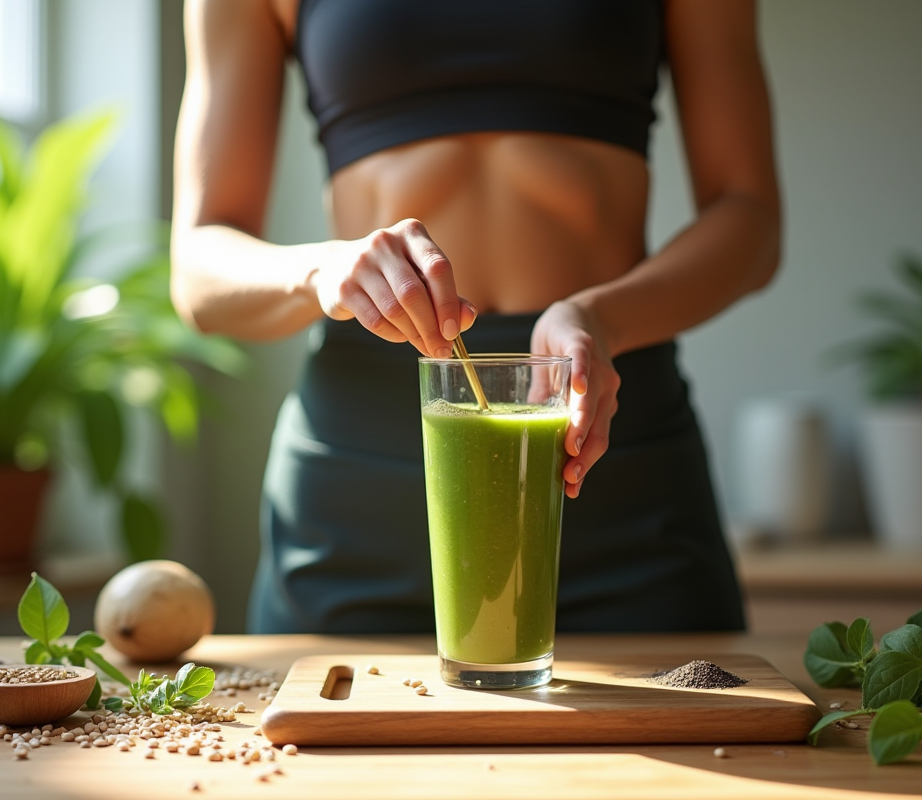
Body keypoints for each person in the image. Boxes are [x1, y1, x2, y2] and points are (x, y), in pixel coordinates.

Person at [170, 0, 781, 634]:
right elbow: (198, 271)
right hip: (363, 476)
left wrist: (605, 317)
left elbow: (751, 217)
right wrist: (322, 271)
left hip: (605, 446)